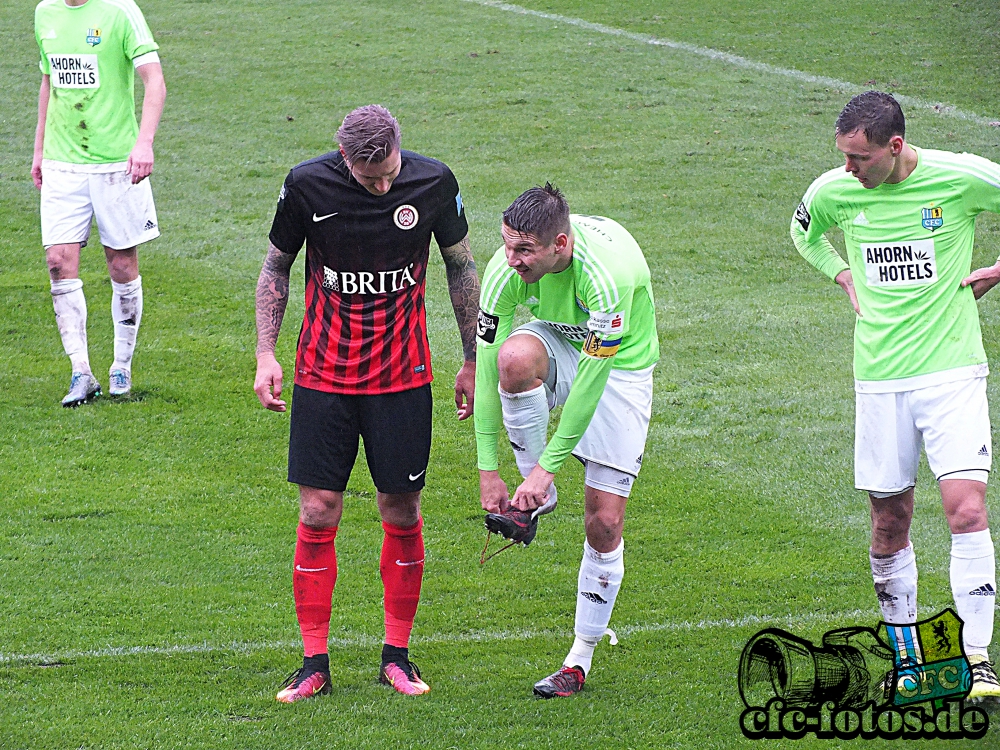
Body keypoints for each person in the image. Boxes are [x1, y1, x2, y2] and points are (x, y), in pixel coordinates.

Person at [254, 105, 479, 702]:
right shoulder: (307, 185)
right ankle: (313, 662)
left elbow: (461, 268)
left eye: (388, 174)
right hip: (323, 374)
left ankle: (397, 656)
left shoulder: (433, 182)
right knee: (319, 510)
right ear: (345, 157)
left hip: (403, 377)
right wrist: (265, 355)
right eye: (368, 177)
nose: (382, 186)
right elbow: (277, 266)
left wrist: (473, 359)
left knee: (400, 510)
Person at [791, 91, 1000, 703]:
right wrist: (842, 272)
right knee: (889, 520)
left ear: (895, 147)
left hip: (952, 374)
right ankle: (908, 660)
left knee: (966, 510)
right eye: (843, 157)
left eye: (859, 158)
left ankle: (979, 659)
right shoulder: (835, 190)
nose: (848, 169)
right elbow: (802, 232)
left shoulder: (960, 179)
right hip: (879, 381)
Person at [475, 184, 659, 697]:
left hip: (619, 367)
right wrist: (489, 467)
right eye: (508, 245)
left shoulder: (606, 277)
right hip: (558, 336)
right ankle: (538, 501)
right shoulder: (503, 268)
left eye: (524, 250)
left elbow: (592, 386)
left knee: (604, 522)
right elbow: (490, 366)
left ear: (561, 243)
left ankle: (579, 660)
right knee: (514, 360)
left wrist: (547, 465)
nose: (511, 260)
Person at [33, 0, 166, 405]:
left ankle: (121, 365)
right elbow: (49, 82)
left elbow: (154, 80)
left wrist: (144, 142)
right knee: (58, 261)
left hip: (115, 163)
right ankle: (81, 372)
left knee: (121, 263)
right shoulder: (45, 12)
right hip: (62, 160)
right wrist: (38, 150)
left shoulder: (121, 11)